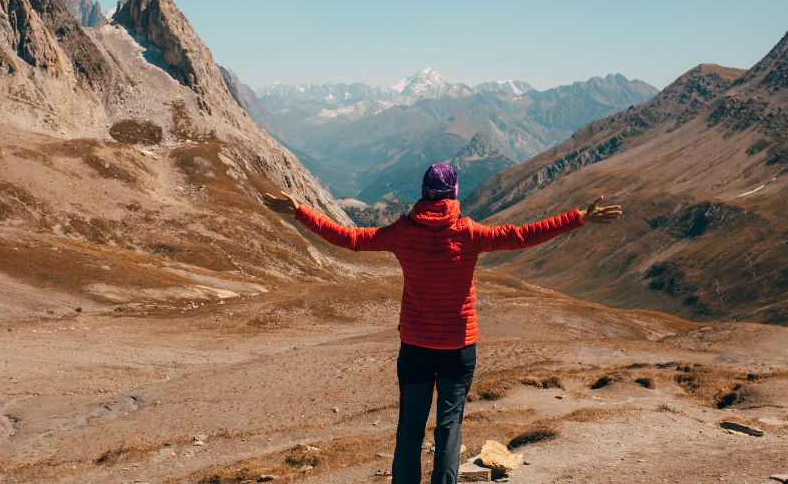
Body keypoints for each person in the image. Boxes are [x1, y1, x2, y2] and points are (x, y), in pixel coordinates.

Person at [263, 163, 621, 484]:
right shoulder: (469, 232)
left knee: (410, 428)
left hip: (416, 348)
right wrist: (577, 218)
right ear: (453, 194)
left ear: (423, 193)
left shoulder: (402, 231)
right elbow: (522, 235)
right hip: (458, 349)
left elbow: (350, 238)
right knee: (449, 427)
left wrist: (301, 212)